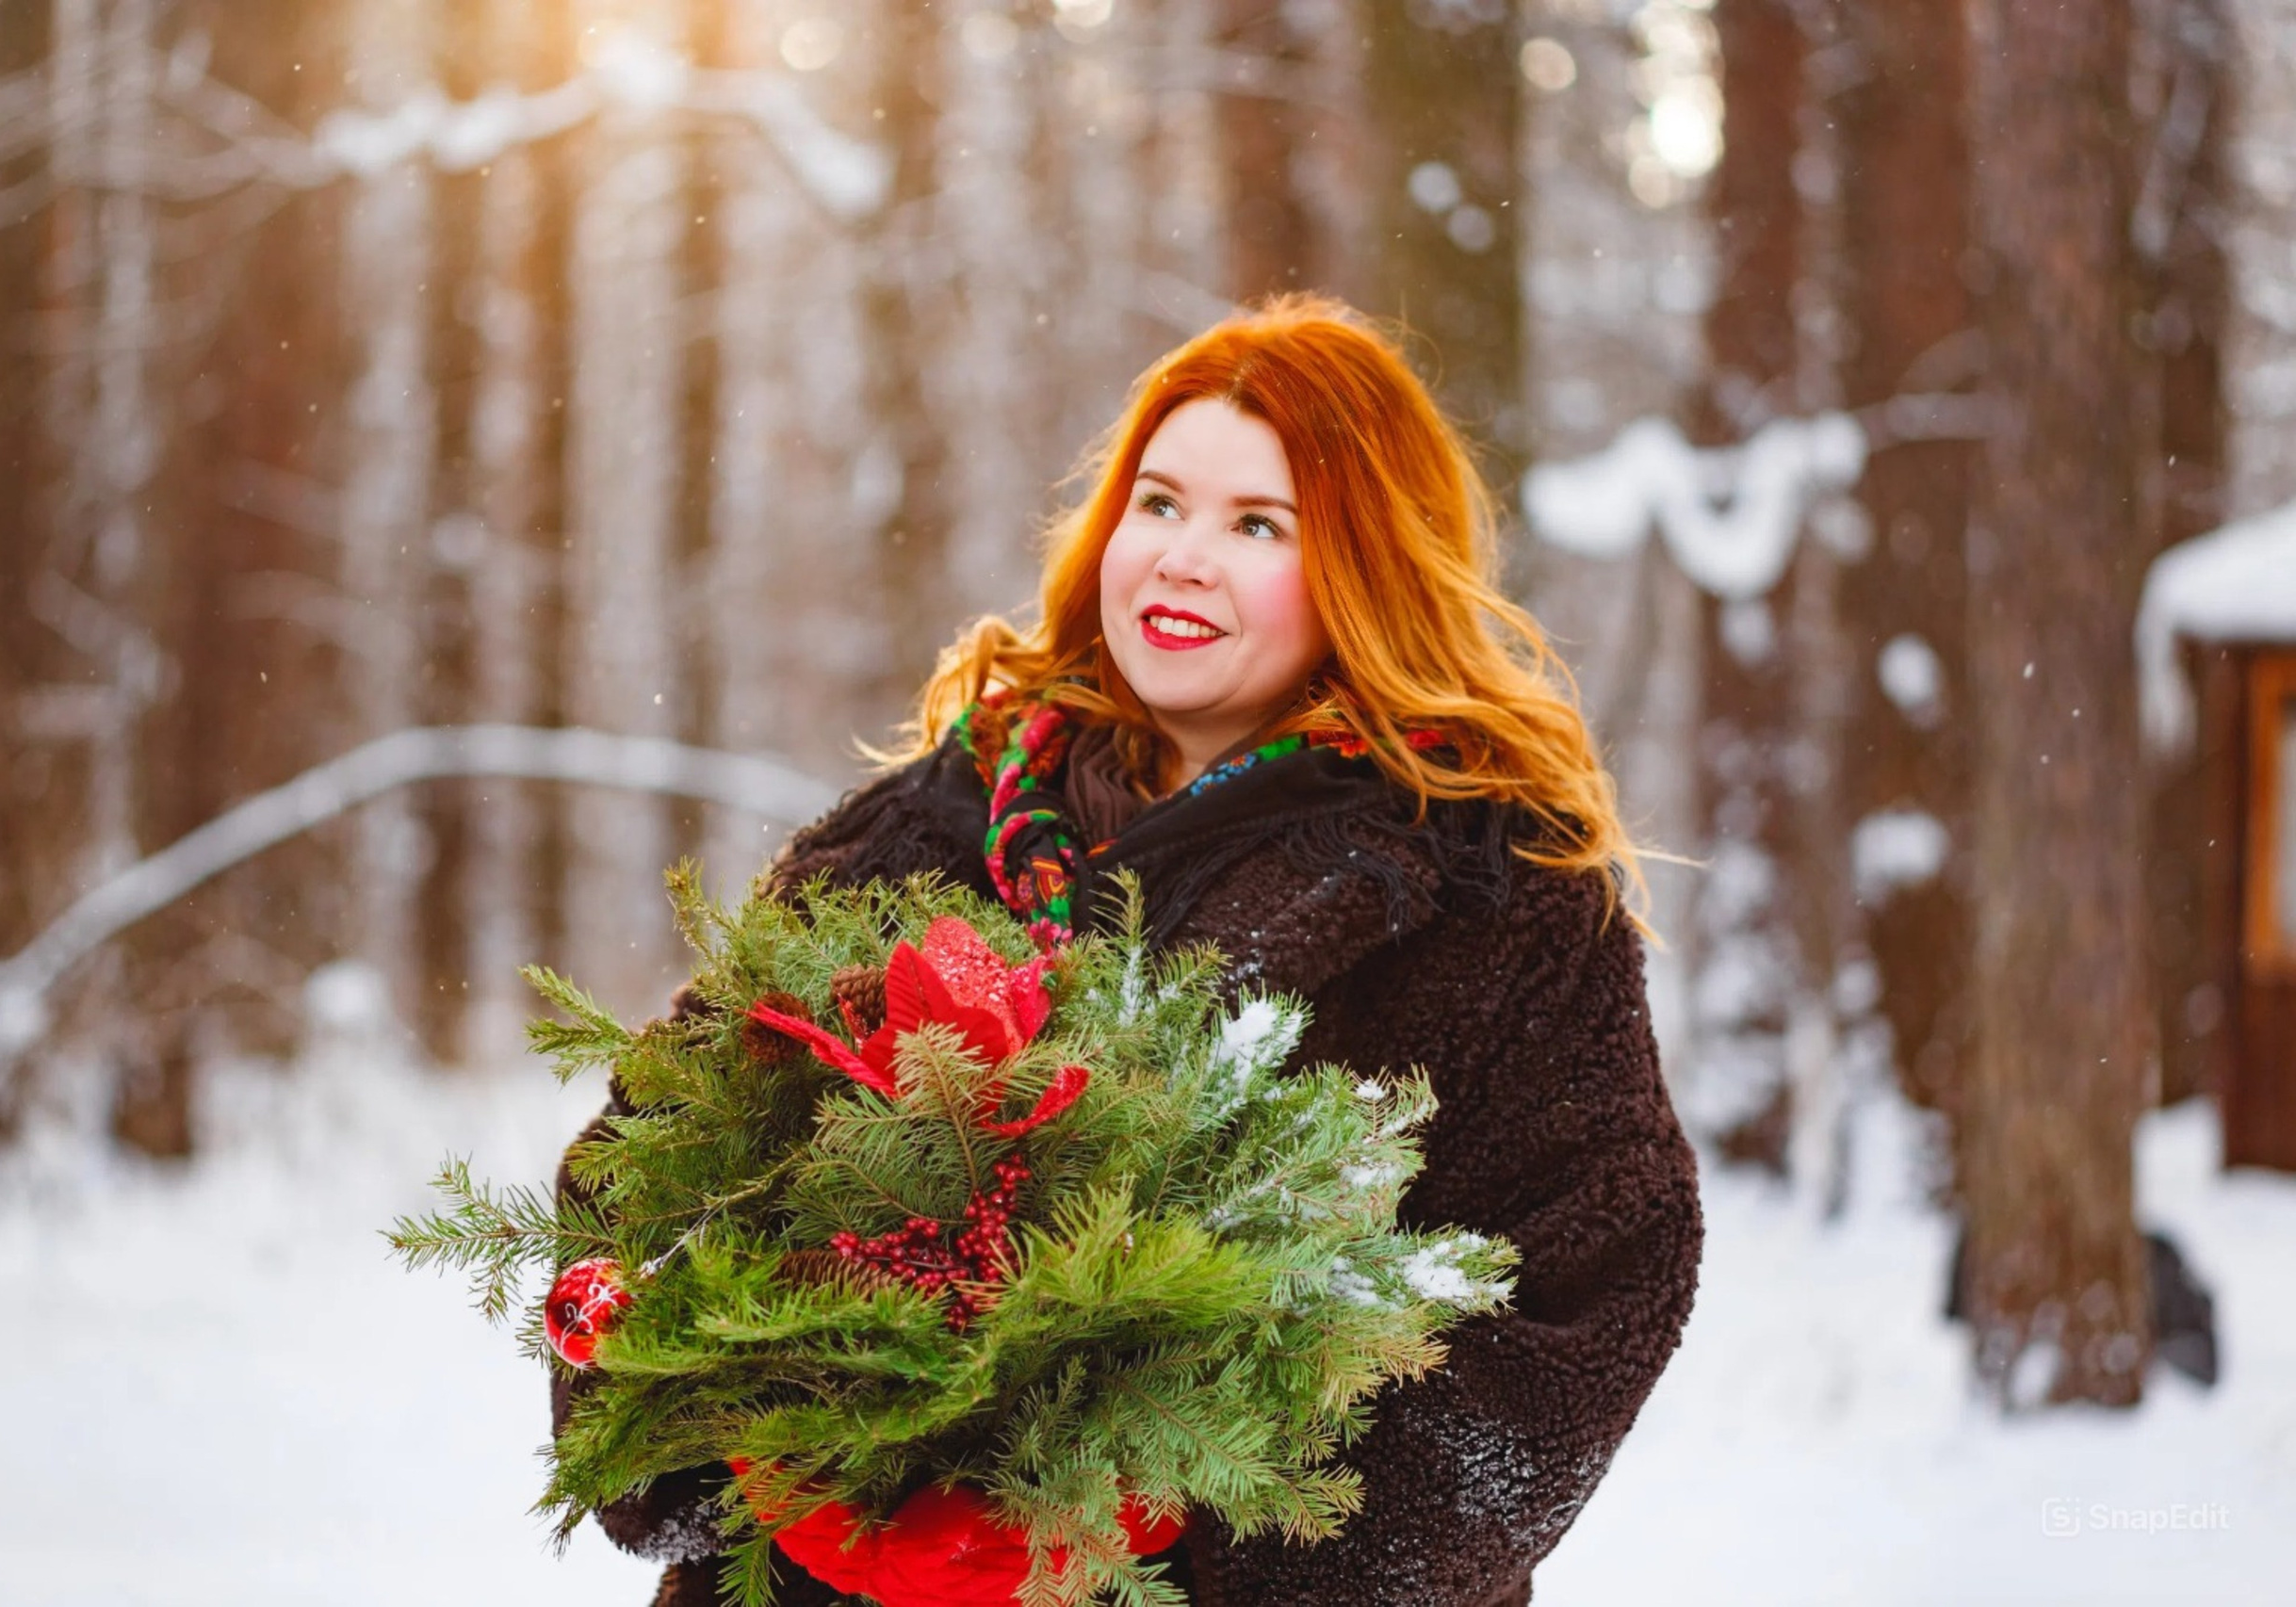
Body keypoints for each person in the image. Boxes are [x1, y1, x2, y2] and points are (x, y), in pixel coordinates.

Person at [554, 294, 1704, 1607]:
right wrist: (767, 1485)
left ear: (1369, 568)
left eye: (1257, 525)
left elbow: (1594, 1283)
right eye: (1157, 503)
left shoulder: (1495, 891)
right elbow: (645, 1169)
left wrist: (1201, 1534)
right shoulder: (916, 831)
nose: (1182, 557)